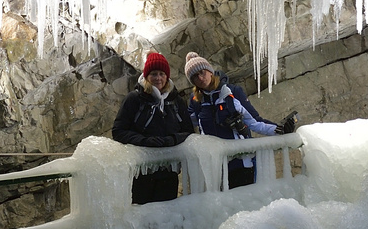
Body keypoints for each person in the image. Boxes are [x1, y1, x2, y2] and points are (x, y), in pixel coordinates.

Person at [183, 51, 297, 188]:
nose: (201, 78)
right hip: (214, 166)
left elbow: (255, 122)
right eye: (195, 76)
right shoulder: (196, 101)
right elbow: (189, 127)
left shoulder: (232, 92)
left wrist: (279, 130)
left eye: (202, 72)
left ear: (210, 71)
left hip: (241, 162)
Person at [111, 51, 195, 203]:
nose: (158, 78)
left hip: (169, 170)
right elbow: (119, 131)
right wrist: (145, 141)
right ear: (147, 76)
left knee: (167, 214)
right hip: (143, 171)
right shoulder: (135, 99)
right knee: (142, 213)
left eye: (162, 74)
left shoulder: (175, 100)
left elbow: (188, 131)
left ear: (167, 76)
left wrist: (173, 139)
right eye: (154, 74)